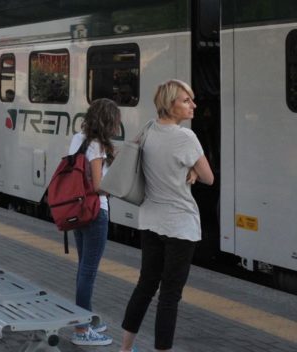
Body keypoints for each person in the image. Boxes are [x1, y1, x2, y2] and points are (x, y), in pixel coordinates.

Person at [119, 79, 214, 352]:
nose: (193, 105)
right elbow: (209, 178)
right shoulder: (186, 138)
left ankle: (125, 348)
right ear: (170, 104)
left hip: (150, 220)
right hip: (180, 225)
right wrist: (194, 171)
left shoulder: (149, 130)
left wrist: (191, 170)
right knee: (170, 296)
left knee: (145, 286)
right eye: (186, 100)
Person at [67, 99, 120, 347]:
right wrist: (116, 189)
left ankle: (85, 316)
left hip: (77, 209)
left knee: (83, 268)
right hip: (96, 212)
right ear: (108, 121)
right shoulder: (97, 146)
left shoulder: (79, 139)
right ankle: (82, 329)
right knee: (88, 271)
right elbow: (98, 186)